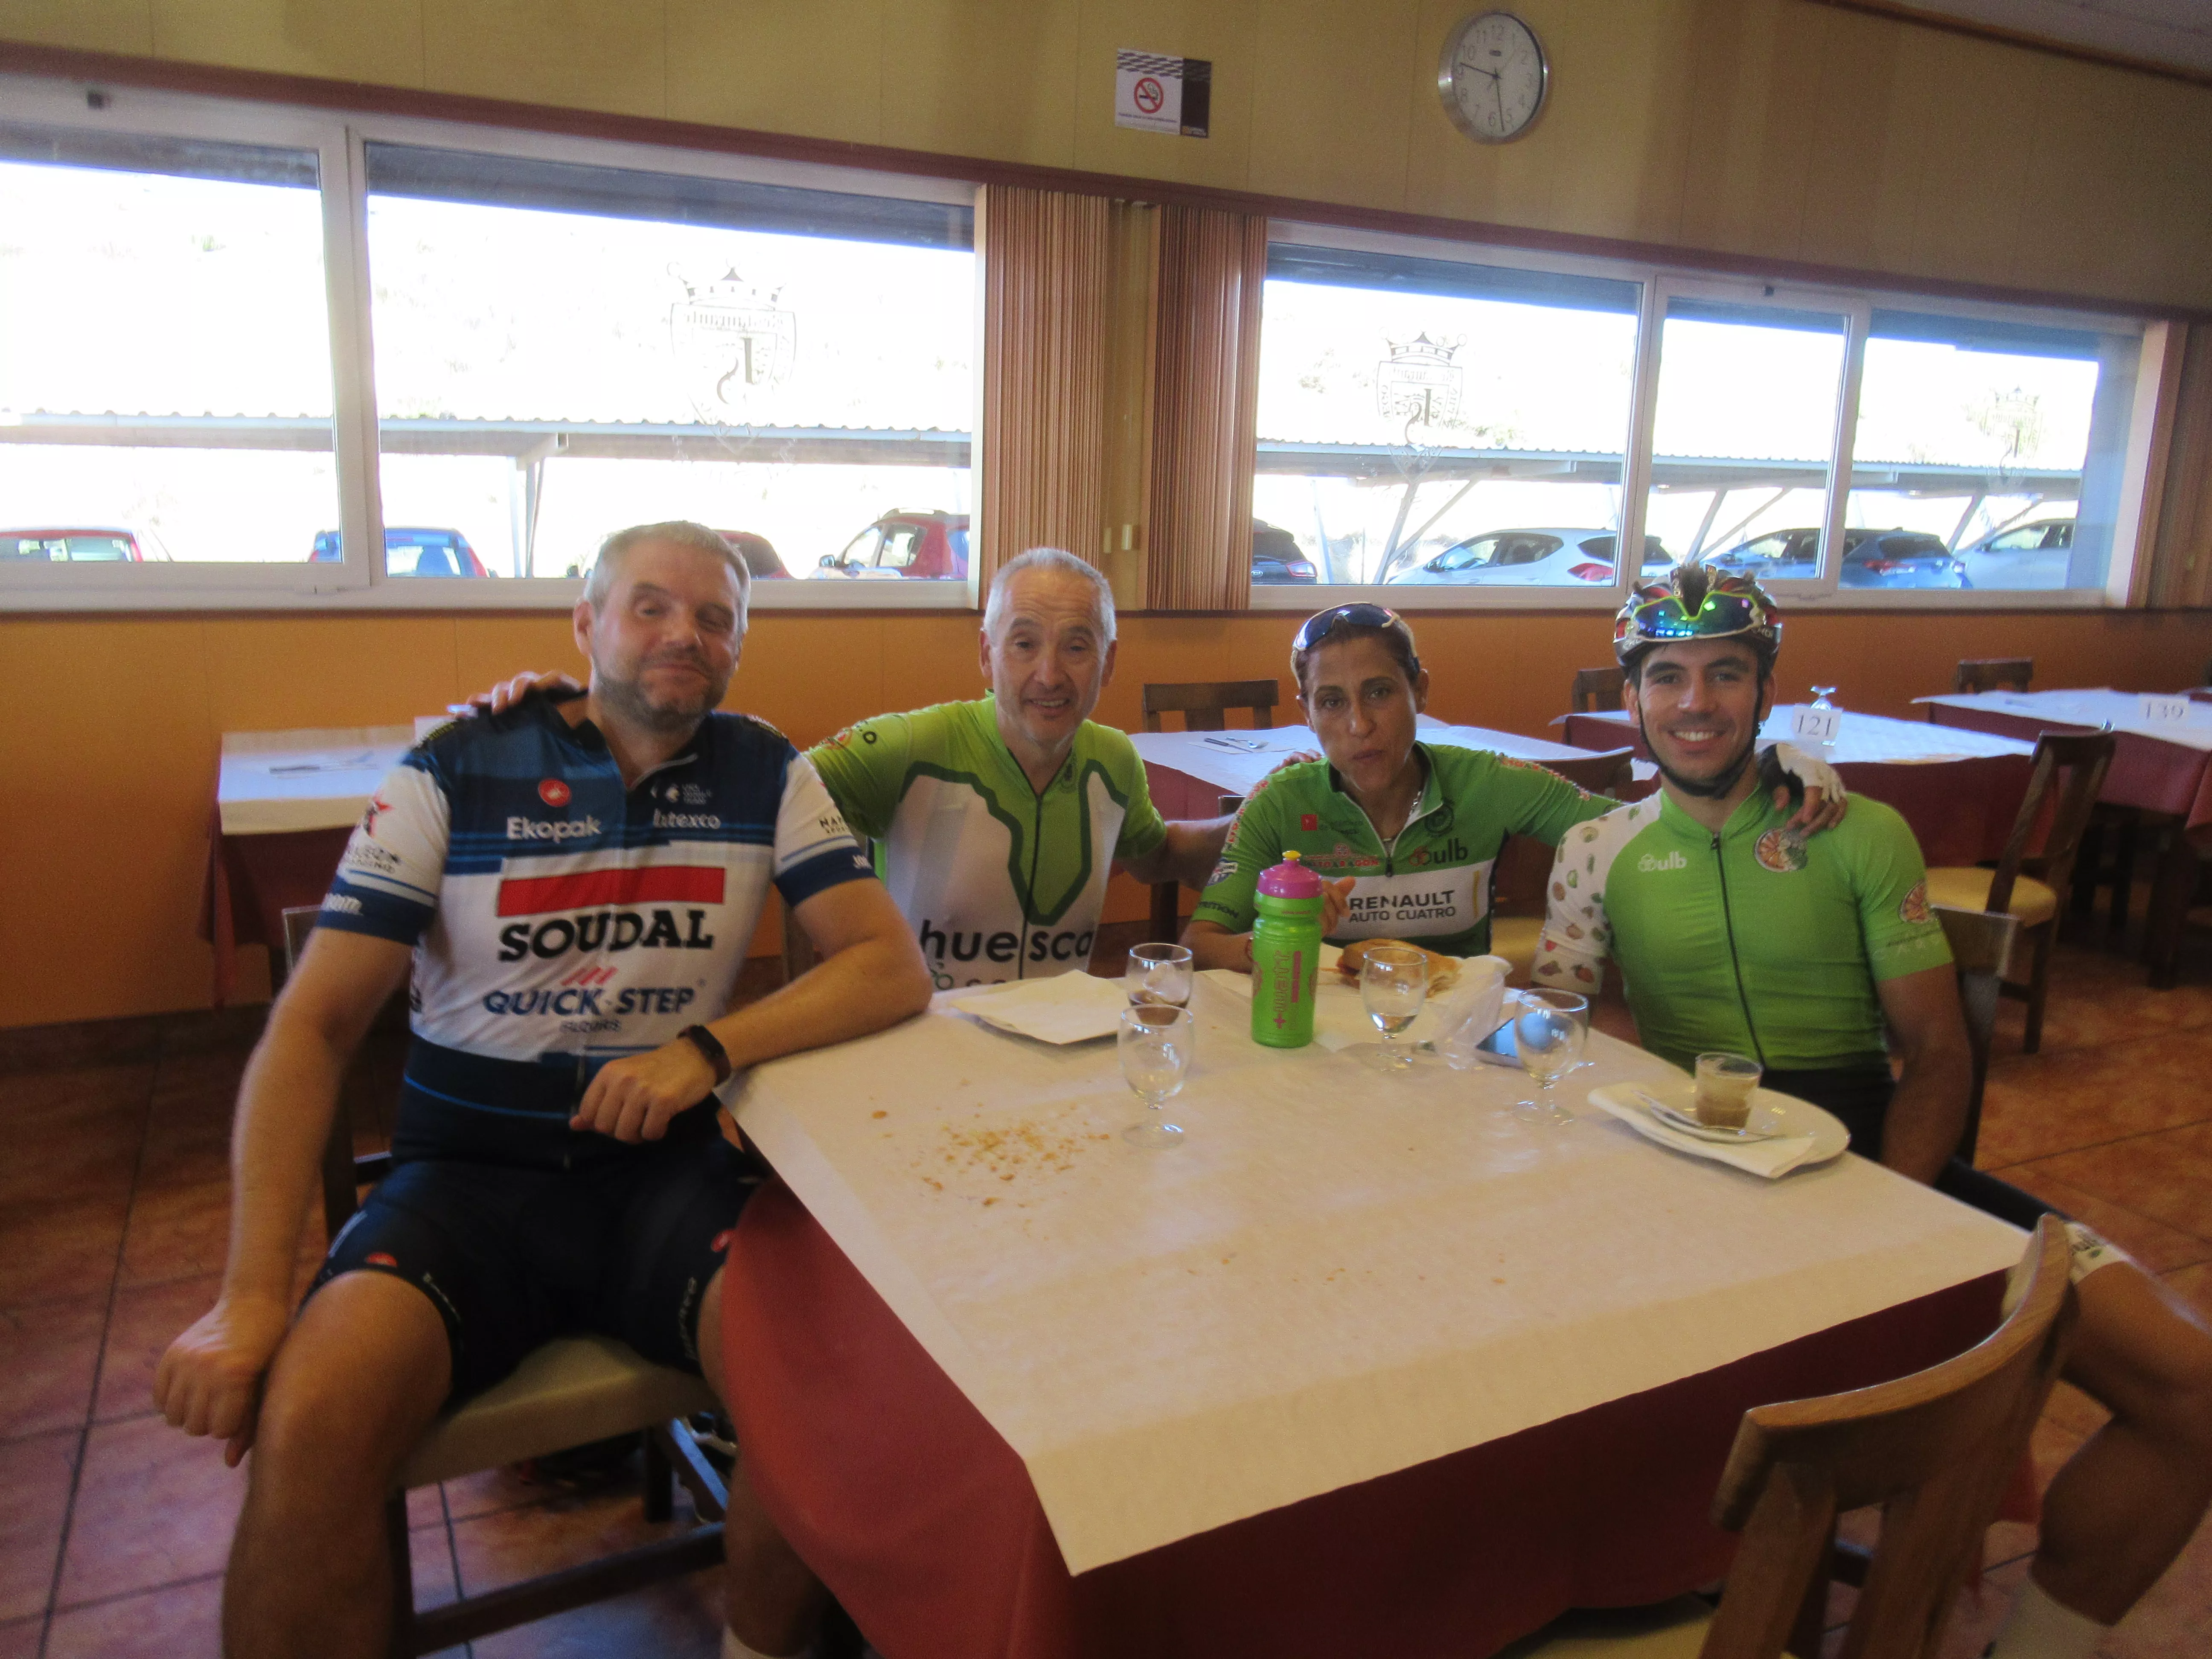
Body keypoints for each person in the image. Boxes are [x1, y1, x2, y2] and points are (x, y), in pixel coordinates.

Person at [154, 521, 933, 1659]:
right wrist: (250, 1296)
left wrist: (707, 1051)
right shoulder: (455, 768)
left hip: (669, 1176)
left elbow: (887, 966)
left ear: (739, 647)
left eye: (718, 618)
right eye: (652, 607)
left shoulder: (767, 768)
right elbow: (311, 1028)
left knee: (825, 1388)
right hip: (465, 1188)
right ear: (586, 626)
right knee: (311, 1424)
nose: (686, 635)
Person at [1534, 560, 2212, 1659]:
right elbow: (1556, 1031)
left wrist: (1891, 1212)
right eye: (1667, 676)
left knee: (2192, 1392)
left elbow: (1939, 1055)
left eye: (1726, 674)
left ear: (1767, 693)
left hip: (1877, 1163)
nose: (1695, 702)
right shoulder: (1595, 851)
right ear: (1632, 698)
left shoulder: (1858, 830)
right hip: (1678, 1168)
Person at [482, 546, 1232, 990]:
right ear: (985, 653)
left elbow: (1157, 853)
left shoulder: (1114, 759)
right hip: (920, 1049)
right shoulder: (907, 748)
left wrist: (1254, 826)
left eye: (1077, 645)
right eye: (1024, 642)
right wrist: (584, 722)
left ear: (1109, 659)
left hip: (1066, 1058)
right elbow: (746, 795)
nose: (1050, 674)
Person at [1182, 602, 1842, 972]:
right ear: (1307, 713)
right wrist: (1279, 939)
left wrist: (1766, 762)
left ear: (1421, 691)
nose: (1358, 724)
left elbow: (1640, 829)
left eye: (1380, 692)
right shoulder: (1282, 800)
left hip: (1450, 1051)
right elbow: (1198, 943)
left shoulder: (1489, 782)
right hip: (1313, 1044)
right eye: (1331, 702)